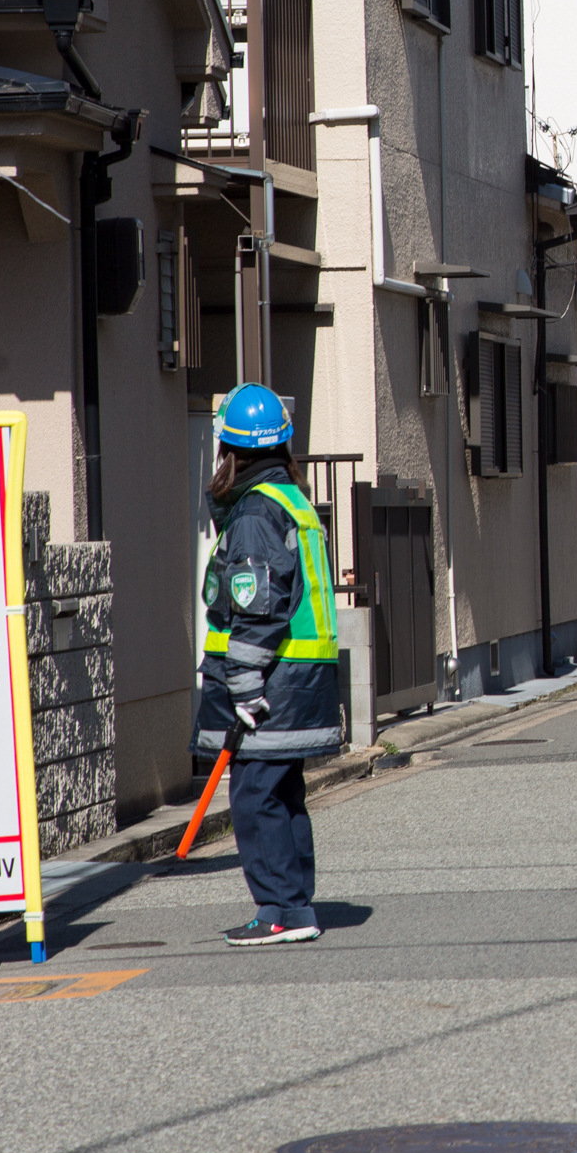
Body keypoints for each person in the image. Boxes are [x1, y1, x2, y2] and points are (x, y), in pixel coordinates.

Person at [194, 384, 343, 947]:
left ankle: (278, 910)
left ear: (229, 452)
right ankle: (295, 905)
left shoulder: (256, 513)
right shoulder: (292, 501)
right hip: (303, 680)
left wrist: (245, 682)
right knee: (283, 795)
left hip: (272, 682)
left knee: (256, 796)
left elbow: (257, 604)